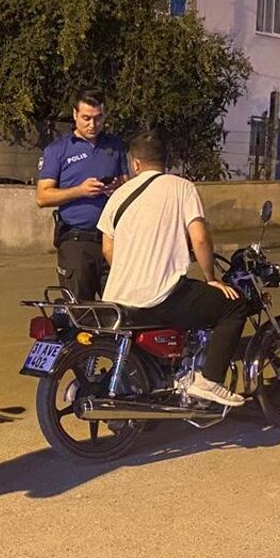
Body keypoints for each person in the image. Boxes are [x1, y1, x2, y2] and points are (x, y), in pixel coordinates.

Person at [97, 130, 247, 408]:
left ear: (135, 163)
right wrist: (212, 278)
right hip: (162, 297)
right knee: (235, 306)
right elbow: (199, 238)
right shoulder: (182, 188)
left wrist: (132, 270)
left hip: (117, 297)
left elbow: (107, 248)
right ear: (167, 160)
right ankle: (209, 381)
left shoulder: (118, 194)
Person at [36, 89, 128, 301]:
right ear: (75, 114)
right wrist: (80, 190)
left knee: (120, 306)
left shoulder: (115, 146)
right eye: (86, 118)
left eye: (98, 118)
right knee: (79, 308)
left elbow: (128, 185)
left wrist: (118, 188)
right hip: (76, 241)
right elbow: (42, 197)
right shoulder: (58, 150)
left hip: (112, 240)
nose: (92, 125)